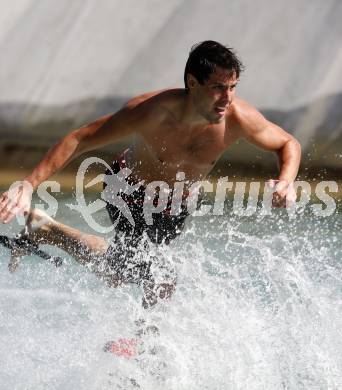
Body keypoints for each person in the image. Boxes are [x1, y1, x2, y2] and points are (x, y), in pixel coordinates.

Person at [0, 40, 301, 307]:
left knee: (121, 272)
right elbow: (80, 138)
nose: (227, 98)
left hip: (175, 204)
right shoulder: (150, 113)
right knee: (159, 276)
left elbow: (288, 143)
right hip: (128, 190)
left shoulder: (239, 119)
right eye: (218, 88)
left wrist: (286, 181)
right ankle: (143, 349)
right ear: (192, 83)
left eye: (233, 87)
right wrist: (28, 184)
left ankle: (47, 229)